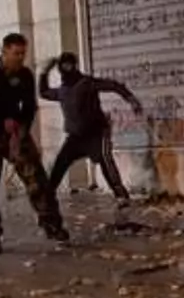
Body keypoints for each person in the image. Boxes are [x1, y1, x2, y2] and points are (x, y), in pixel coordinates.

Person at [0, 32, 68, 254]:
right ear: (4, 51)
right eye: (16, 54)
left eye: (23, 54)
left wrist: (21, 130)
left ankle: (52, 224)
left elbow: (29, 106)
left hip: (15, 134)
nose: (20, 58)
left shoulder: (25, 76)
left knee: (37, 178)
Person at [40, 53, 143, 204]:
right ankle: (47, 197)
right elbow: (44, 93)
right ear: (60, 68)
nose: (67, 68)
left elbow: (112, 85)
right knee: (60, 163)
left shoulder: (86, 83)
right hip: (75, 137)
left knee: (105, 160)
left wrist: (131, 99)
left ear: (75, 66)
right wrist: (44, 72)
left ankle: (121, 196)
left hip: (96, 133)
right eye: (64, 65)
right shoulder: (62, 90)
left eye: (70, 64)